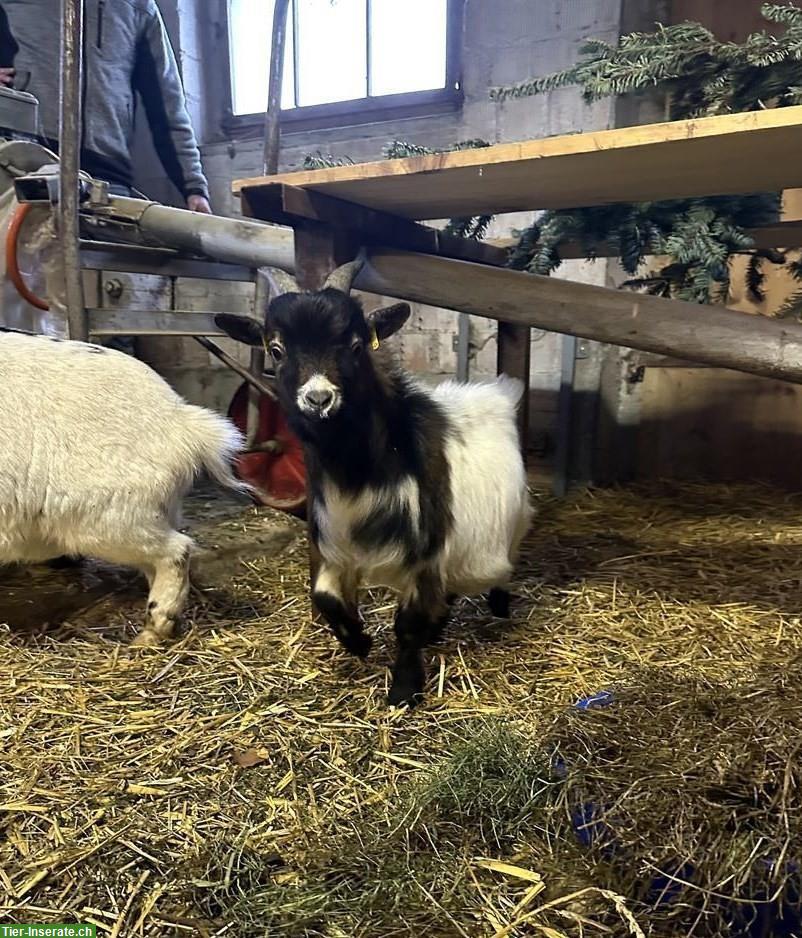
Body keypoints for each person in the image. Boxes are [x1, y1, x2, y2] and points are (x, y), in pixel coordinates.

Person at [0, 0, 212, 213]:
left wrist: (193, 188)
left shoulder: (138, 6)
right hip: (18, 167)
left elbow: (168, 103)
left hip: (107, 178)